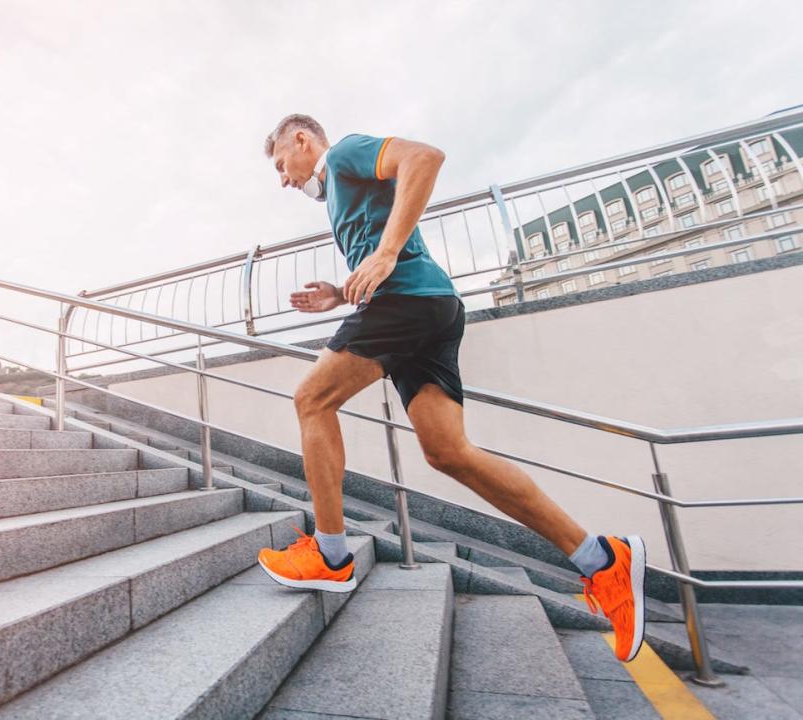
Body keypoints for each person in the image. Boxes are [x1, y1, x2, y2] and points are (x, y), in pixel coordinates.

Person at [256, 114, 646, 662]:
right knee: (448, 452)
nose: (283, 180)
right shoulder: (342, 194)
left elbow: (425, 157)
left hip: (408, 303)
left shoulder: (343, 154)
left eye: (280, 165)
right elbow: (383, 249)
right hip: (430, 308)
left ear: (302, 141)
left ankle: (331, 555)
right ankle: (602, 559)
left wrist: (386, 254)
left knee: (311, 399)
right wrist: (341, 295)